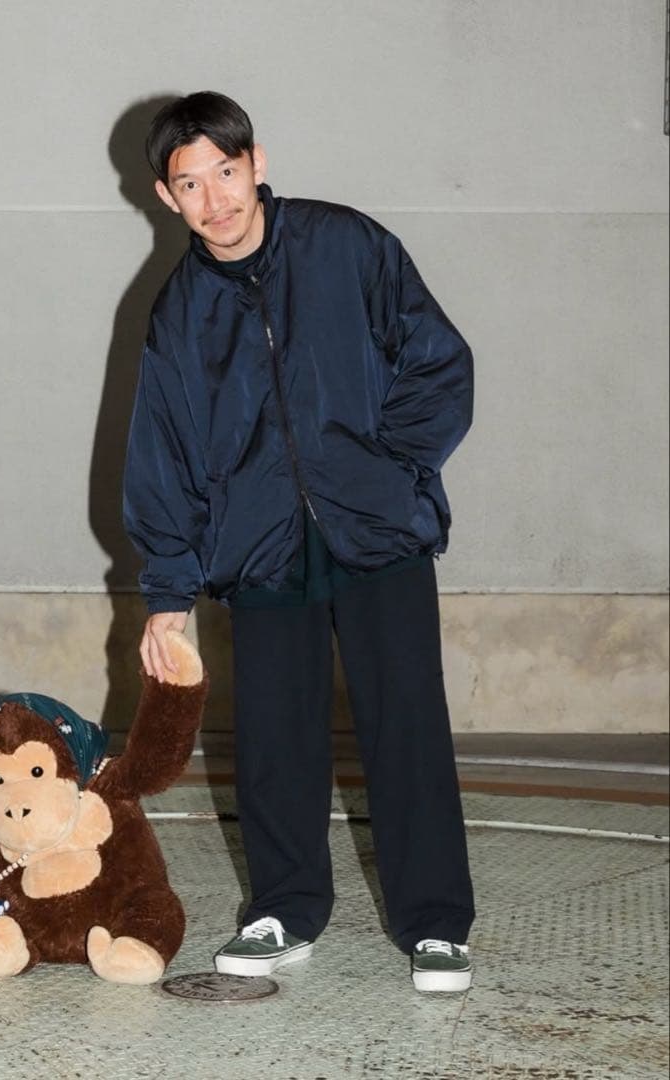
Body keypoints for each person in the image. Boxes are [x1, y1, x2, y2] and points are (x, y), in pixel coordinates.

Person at [123, 91, 475, 993]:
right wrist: (168, 593)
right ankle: (284, 909)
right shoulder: (177, 314)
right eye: (191, 184)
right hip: (260, 548)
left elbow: (440, 361)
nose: (216, 200)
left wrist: (388, 473)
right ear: (167, 197)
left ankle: (436, 924)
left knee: (407, 725)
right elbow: (162, 455)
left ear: (258, 163)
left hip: (379, 534)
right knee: (275, 738)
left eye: (227, 172)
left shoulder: (346, 245)